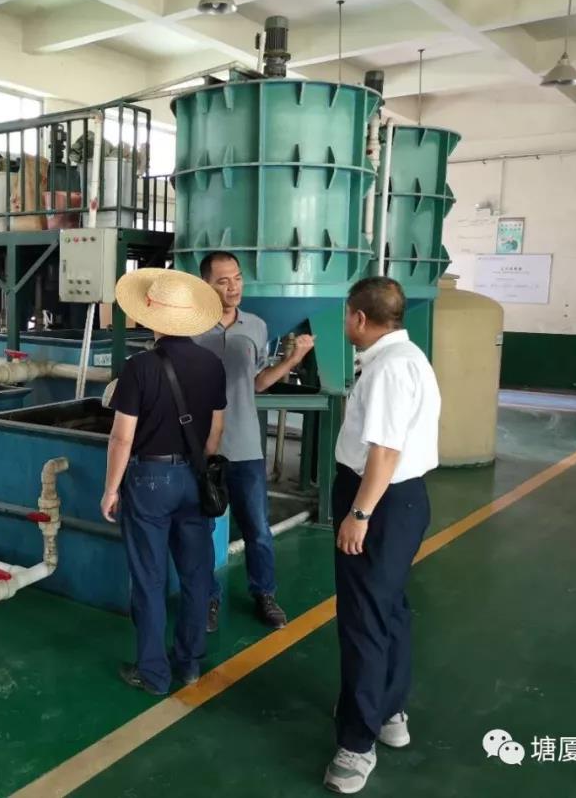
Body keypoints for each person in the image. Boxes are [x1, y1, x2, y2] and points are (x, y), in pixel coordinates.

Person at [323, 277, 442, 794]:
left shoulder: (389, 369)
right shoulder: (407, 357)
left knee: (364, 621)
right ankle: (389, 710)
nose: (345, 323)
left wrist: (359, 513)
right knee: (388, 608)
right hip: (400, 499)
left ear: (359, 318)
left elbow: (385, 452)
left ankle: (357, 745)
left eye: (346, 315)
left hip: (379, 501)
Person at [101, 268, 227, 695]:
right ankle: (189, 664)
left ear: (151, 315)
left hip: (150, 480)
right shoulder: (212, 364)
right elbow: (216, 431)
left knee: (149, 580)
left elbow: (122, 437)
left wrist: (111, 488)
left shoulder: (138, 368)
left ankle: (153, 674)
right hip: (195, 477)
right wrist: (198, 466)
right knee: (196, 576)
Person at [194, 251, 314, 630]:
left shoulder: (256, 327)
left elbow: (257, 383)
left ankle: (265, 594)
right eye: (223, 281)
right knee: (202, 530)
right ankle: (208, 598)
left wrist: (293, 359)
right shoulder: (190, 327)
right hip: (202, 448)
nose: (233, 287)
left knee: (257, 529)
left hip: (245, 446)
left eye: (237, 278)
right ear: (206, 285)